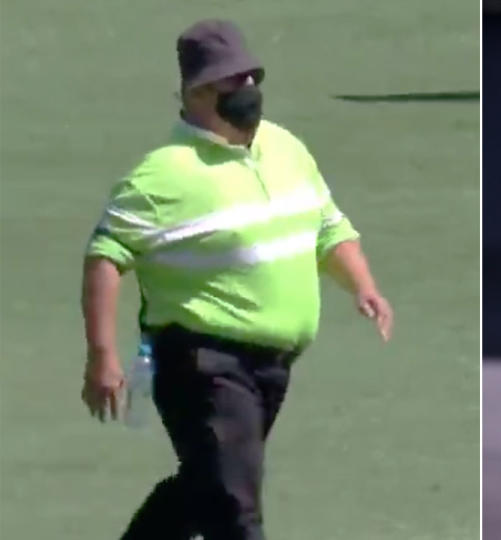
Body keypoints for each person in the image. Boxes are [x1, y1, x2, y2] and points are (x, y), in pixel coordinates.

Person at [80, 19, 393, 540]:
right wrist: (102, 355)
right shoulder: (161, 176)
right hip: (203, 362)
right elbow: (104, 258)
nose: (248, 90)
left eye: (251, 77)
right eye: (233, 82)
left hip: (272, 366)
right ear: (198, 92)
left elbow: (328, 226)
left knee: (205, 486)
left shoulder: (286, 148)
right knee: (234, 509)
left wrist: (363, 286)